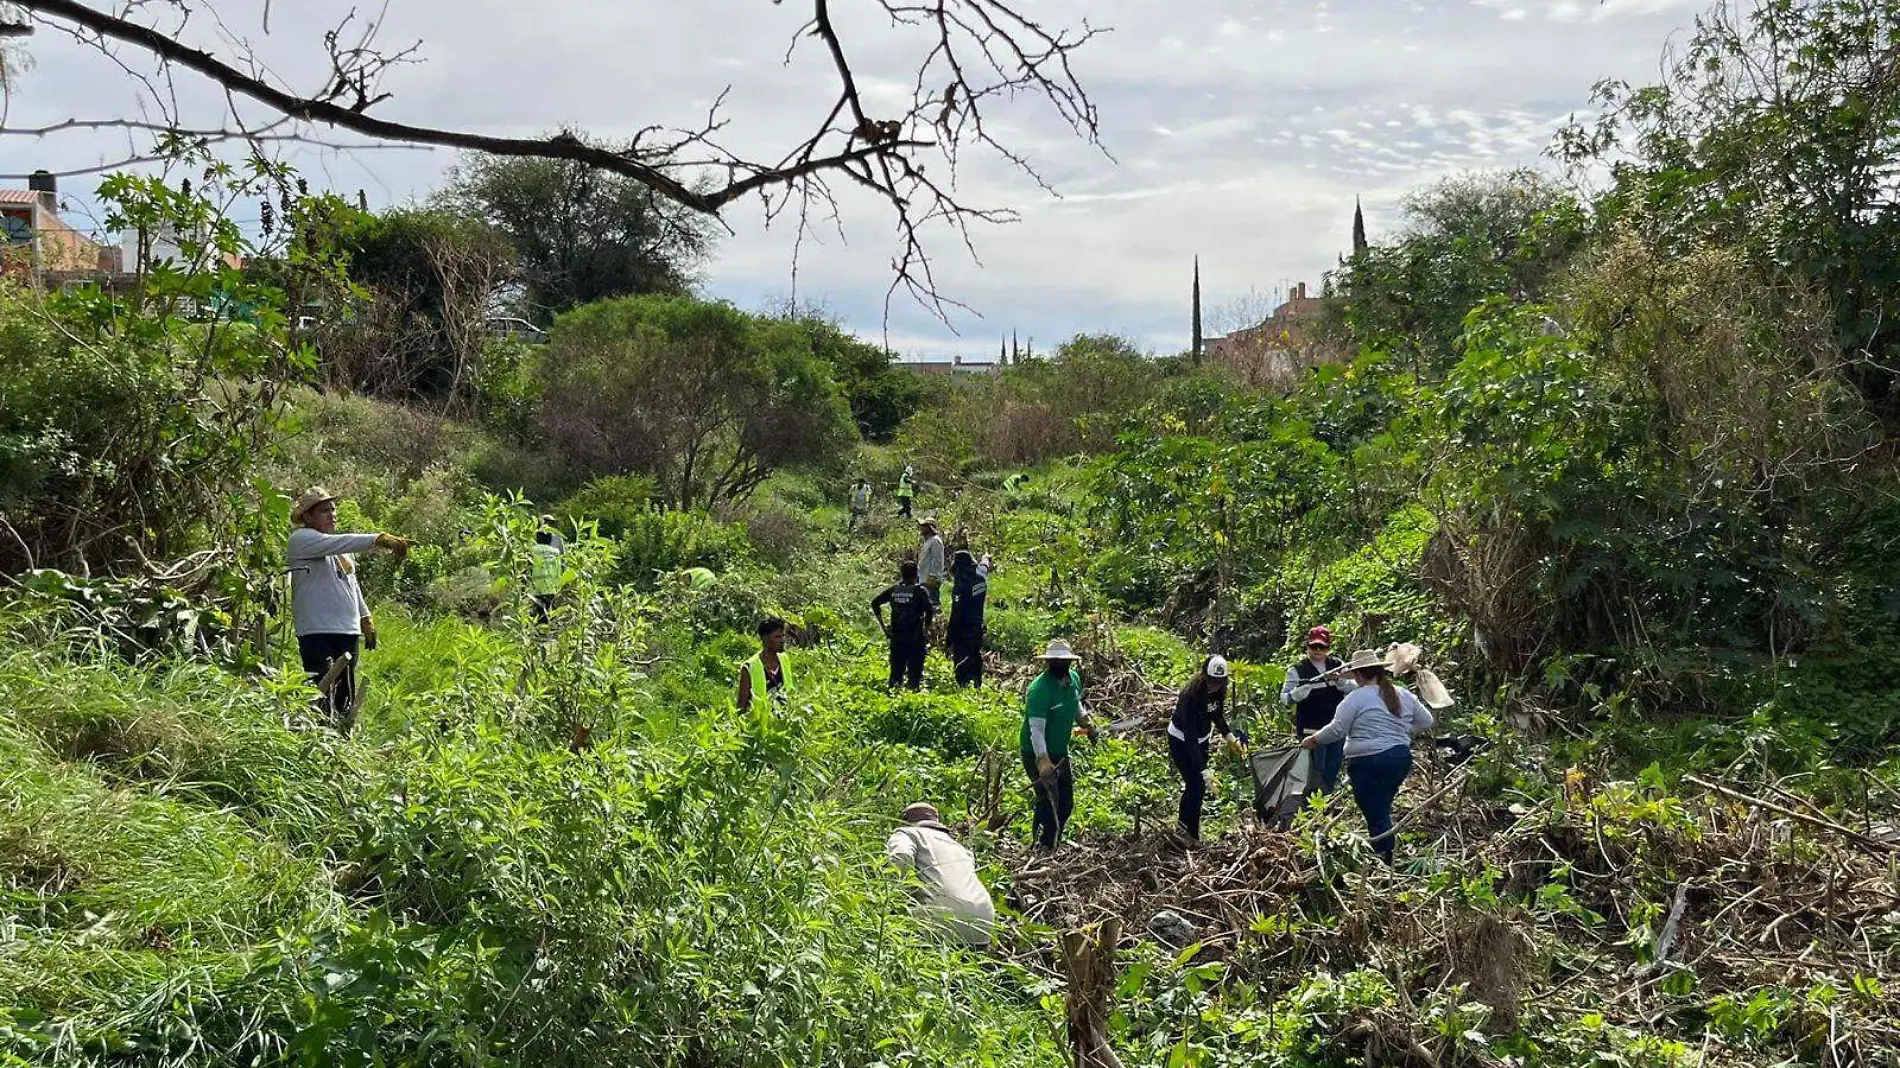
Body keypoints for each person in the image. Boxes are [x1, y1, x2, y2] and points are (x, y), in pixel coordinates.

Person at [287, 487, 409, 732]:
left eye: (333, 509)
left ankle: (341, 739)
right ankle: (317, 737)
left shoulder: (339, 547)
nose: (332, 514)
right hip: (317, 630)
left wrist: (365, 617)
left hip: (346, 629)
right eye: (324, 510)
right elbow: (340, 542)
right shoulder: (302, 540)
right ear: (308, 517)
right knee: (320, 688)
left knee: (345, 693)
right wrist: (378, 539)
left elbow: (351, 583)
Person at [1301, 648, 1437, 864]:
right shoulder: (1402, 693)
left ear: (1359, 674)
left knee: (1376, 813)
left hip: (1368, 762)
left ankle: (1385, 860)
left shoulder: (1355, 698)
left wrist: (1313, 739)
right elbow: (1426, 721)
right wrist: (1399, 731)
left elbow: (1337, 729)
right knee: (1381, 807)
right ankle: (1385, 854)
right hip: (1399, 758)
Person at [1020, 639, 1098, 853]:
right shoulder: (1039, 690)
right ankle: (1041, 847)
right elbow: (1036, 730)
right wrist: (1043, 761)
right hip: (1036, 751)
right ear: (1049, 663)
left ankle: (1052, 842)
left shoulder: (1072, 679)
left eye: (1064, 662)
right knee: (1047, 800)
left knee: (1065, 803)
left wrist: (1085, 722)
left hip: (1060, 751)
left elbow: (1075, 703)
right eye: (1056, 661)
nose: (1061, 666)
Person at [883, 801, 996, 947]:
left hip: (940, 917)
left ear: (906, 821)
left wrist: (893, 896)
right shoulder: (958, 847)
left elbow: (900, 857)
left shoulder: (907, 833)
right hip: (982, 919)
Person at [1168, 655, 1246, 841]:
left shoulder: (1219, 691)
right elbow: (1190, 737)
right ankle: (1191, 834)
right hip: (1181, 740)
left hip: (1202, 739)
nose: (1215, 686)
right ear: (1204, 676)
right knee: (1197, 784)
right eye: (1212, 681)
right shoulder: (1190, 696)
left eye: (1219, 682)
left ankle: (1184, 828)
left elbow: (1216, 715)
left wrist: (1229, 737)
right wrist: (1204, 771)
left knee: (1195, 786)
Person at [1281, 626, 1353, 792]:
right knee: (1315, 768)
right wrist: (1297, 694)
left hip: (1336, 726)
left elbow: (1356, 688)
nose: (1318, 650)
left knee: (1333, 765)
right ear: (1308, 646)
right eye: (1314, 646)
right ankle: (1312, 800)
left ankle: (1326, 799)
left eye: (1322, 647)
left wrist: (1340, 681)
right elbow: (1285, 699)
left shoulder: (1337, 665)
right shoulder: (1297, 670)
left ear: (1329, 647)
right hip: (1310, 729)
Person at [872, 561, 936, 691]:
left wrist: (884, 628)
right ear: (916, 575)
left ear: (901, 574)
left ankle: (893, 701)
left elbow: (875, 603)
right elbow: (929, 610)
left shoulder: (894, 590)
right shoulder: (920, 591)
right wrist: (927, 630)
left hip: (897, 638)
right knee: (914, 678)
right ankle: (911, 704)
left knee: (895, 676)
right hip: (915, 639)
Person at [947, 549, 991, 687]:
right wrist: (986, 557)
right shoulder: (981, 576)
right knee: (975, 657)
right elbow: (985, 565)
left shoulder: (960, 586)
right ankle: (977, 687)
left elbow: (956, 613)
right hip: (977, 627)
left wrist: (949, 637)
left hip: (962, 631)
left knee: (961, 664)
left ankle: (963, 688)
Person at [735, 617, 793, 712]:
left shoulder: (784, 660)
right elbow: (741, 706)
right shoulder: (749, 667)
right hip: (761, 722)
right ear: (765, 639)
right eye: (777, 637)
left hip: (784, 720)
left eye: (783, 636)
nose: (782, 640)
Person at [528, 526, 564, 622]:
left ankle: (539, 634)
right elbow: (560, 569)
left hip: (536, 589)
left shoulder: (531, 550)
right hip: (552, 588)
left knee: (537, 616)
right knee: (550, 615)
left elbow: (527, 569)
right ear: (550, 539)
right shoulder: (556, 552)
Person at [917, 518, 947, 608]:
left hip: (930, 579)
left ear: (929, 527)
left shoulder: (935, 541)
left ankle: (937, 620)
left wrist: (932, 576)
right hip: (924, 578)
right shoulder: (928, 541)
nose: (921, 528)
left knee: (933, 604)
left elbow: (937, 560)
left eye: (924, 526)